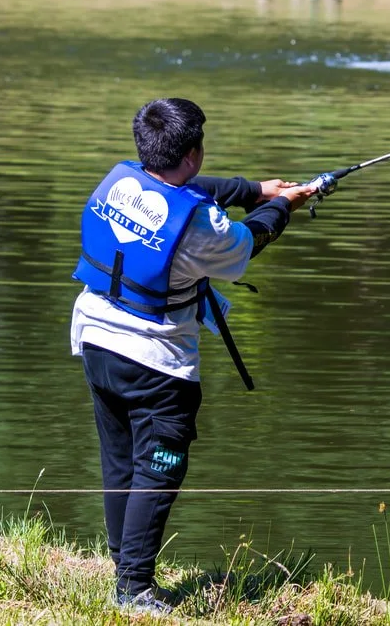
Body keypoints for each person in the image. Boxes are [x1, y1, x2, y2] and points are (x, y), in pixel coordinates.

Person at [69, 97, 317, 614]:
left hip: (96, 339)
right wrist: (284, 204)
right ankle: (134, 590)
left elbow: (187, 192)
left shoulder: (121, 180)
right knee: (159, 469)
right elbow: (249, 241)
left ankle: (123, 567)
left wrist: (255, 190)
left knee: (120, 462)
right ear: (193, 153)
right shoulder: (204, 229)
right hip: (155, 362)